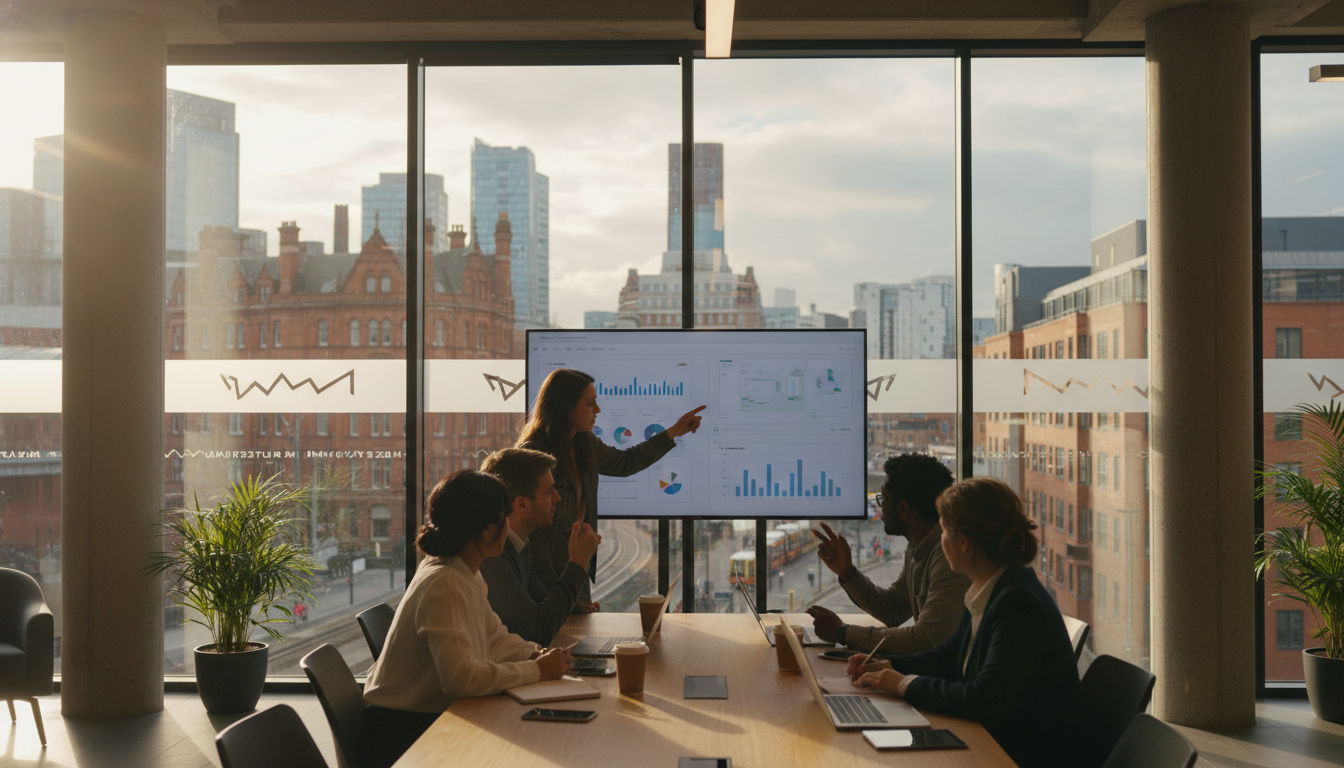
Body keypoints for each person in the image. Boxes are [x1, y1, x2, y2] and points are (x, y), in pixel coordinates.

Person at [846, 477, 1088, 768]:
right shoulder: (992, 589)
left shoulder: (1018, 605)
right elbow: (950, 657)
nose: (940, 539)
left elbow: (983, 700)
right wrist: (889, 666)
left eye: (944, 530)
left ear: (963, 542)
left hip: (1017, 756)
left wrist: (903, 685)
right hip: (996, 745)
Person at [360, 470, 573, 768]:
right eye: (504, 517)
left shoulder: (464, 572)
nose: (508, 526)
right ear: (487, 531)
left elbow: (495, 637)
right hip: (402, 733)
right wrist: (535, 671)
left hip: (422, 719)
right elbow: (461, 679)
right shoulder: (444, 583)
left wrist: (534, 653)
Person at [517, 367, 705, 609]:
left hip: (576, 566)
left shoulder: (585, 443)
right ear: (566, 407)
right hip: (546, 580)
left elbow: (626, 462)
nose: (598, 410)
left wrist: (674, 432)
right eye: (590, 403)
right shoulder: (534, 452)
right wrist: (562, 595)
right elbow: (533, 541)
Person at [806, 452, 970, 654]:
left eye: (883, 498)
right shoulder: (917, 547)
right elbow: (894, 610)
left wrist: (843, 633)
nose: (880, 505)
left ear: (903, 508)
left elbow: (926, 640)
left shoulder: (949, 558)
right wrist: (847, 572)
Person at [478, 447, 599, 645]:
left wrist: (575, 606)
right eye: (550, 492)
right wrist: (578, 561)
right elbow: (537, 631)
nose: (558, 498)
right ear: (522, 504)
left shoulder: (519, 544)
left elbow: (543, 604)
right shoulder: (492, 557)